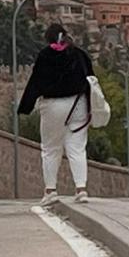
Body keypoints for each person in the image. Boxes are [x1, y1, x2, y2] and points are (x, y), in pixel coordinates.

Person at [18, 24, 94, 207]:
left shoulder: (45, 56)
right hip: (78, 105)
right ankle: (81, 189)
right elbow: (91, 80)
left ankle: (51, 191)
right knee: (77, 148)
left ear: (48, 39)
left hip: (52, 106)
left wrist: (24, 108)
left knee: (51, 148)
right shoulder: (80, 54)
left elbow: (35, 83)